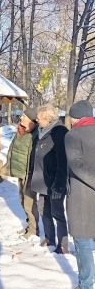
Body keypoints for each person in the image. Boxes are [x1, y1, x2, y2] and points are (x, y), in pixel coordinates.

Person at [31, 103, 69, 254]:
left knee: (57, 213)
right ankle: (49, 238)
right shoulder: (41, 132)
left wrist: (59, 184)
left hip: (55, 181)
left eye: (40, 118)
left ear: (48, 119)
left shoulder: (59, 132)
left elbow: (63, 160)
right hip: (42, 180)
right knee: (43, 210)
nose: (37, 121)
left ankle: (64, 245)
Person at [65, 100, 95, 289]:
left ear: (75, 117)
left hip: (82, 195)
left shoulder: (72, 135)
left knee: (83, 241)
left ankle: (86, 284)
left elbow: (76, 165)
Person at [4, 108, 39, 238]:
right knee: (22, 200)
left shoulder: (35, 135)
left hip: (29, 174)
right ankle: (29, 225)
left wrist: (30, 174)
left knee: (29, 202)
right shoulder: (20, 131)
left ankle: (34, 229)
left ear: (31, 120)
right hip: (20, 172)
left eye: (24, 116)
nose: (21, 118)